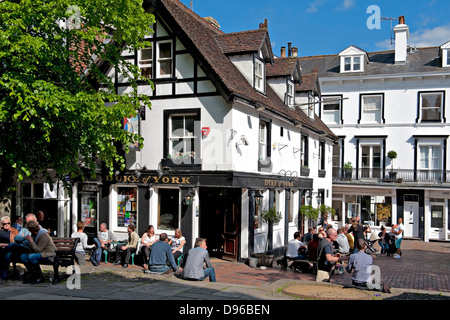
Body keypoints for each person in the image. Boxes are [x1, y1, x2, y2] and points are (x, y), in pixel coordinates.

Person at [0, 216, 19, 284]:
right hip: (1, 250)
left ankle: (2, 277)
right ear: (2, 224)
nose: (7, 225)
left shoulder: (14, 231)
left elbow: (13, 244)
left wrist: (6, 246)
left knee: (7, 255)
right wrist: (4, 245)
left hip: (11, 251)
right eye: (5, 224)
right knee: (4, 255)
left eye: (8, 223)